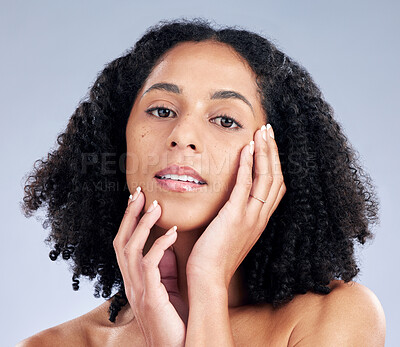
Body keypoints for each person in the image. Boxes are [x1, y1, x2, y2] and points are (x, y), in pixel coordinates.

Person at [17, 18, 386, 346]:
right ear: (120, 139)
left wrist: (207, 282)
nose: (182, 135)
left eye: (225, 120)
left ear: (274, 156)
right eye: (161, 110)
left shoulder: (335, 319)